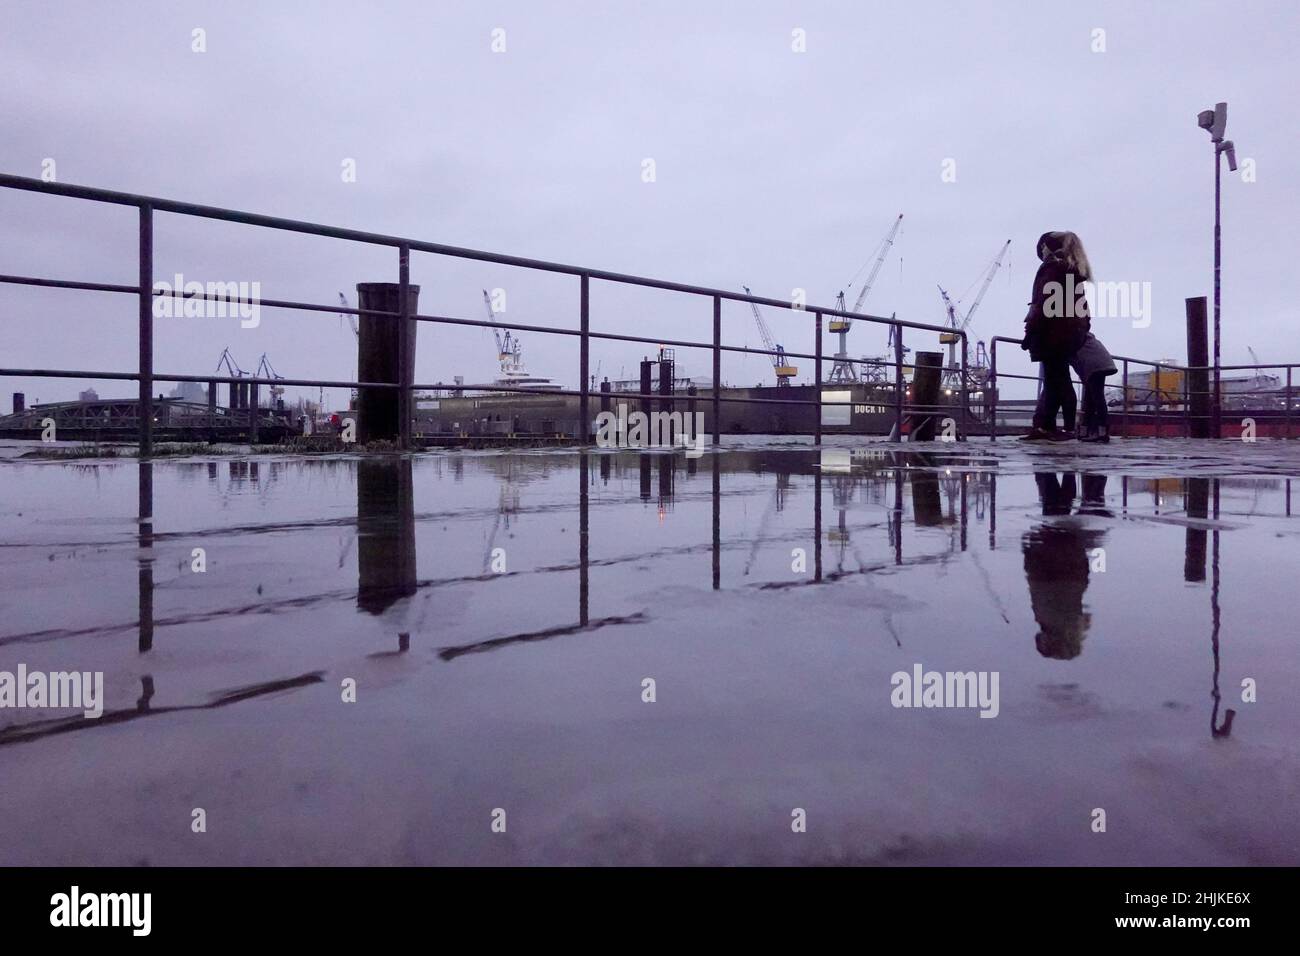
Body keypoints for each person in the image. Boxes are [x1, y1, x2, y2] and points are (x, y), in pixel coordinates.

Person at [1021, 231, 1092, 440]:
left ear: (1048, 247)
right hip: (1069, 333)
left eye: (1042, 247)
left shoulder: (1052, 269)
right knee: (1058, 379)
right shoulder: (1071, 270)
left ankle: (1057, 429)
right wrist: (1082, 329)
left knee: (1056, 380)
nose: (1041, 251)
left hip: (1052, 333)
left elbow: (1043, 303)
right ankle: (1053, 428)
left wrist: (1030, 331)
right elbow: (1081, 307)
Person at [1070, 330, 1118, 442]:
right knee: (1091, 399)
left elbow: (1075, 361)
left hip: (1094, 366)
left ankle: (1100, 433)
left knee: (1096, 398)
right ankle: (1089, 432)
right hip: (1101, 363)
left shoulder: (1071, 339)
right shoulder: (1085, 337)